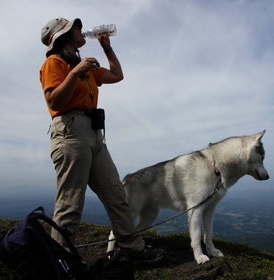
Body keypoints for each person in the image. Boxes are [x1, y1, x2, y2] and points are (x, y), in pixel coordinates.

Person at [39, 17, 164, 263]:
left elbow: (118, 75)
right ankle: (60, 262)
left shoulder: (82, 65)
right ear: (64, 35)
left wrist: (107, 48)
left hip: (95, 134)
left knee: (115, 192)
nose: (80, 29)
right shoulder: (55, 63)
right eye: (75, 27)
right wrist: (75, 72)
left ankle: (131, 247)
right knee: (71, 200)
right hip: (70, 131)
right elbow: (54, 101)